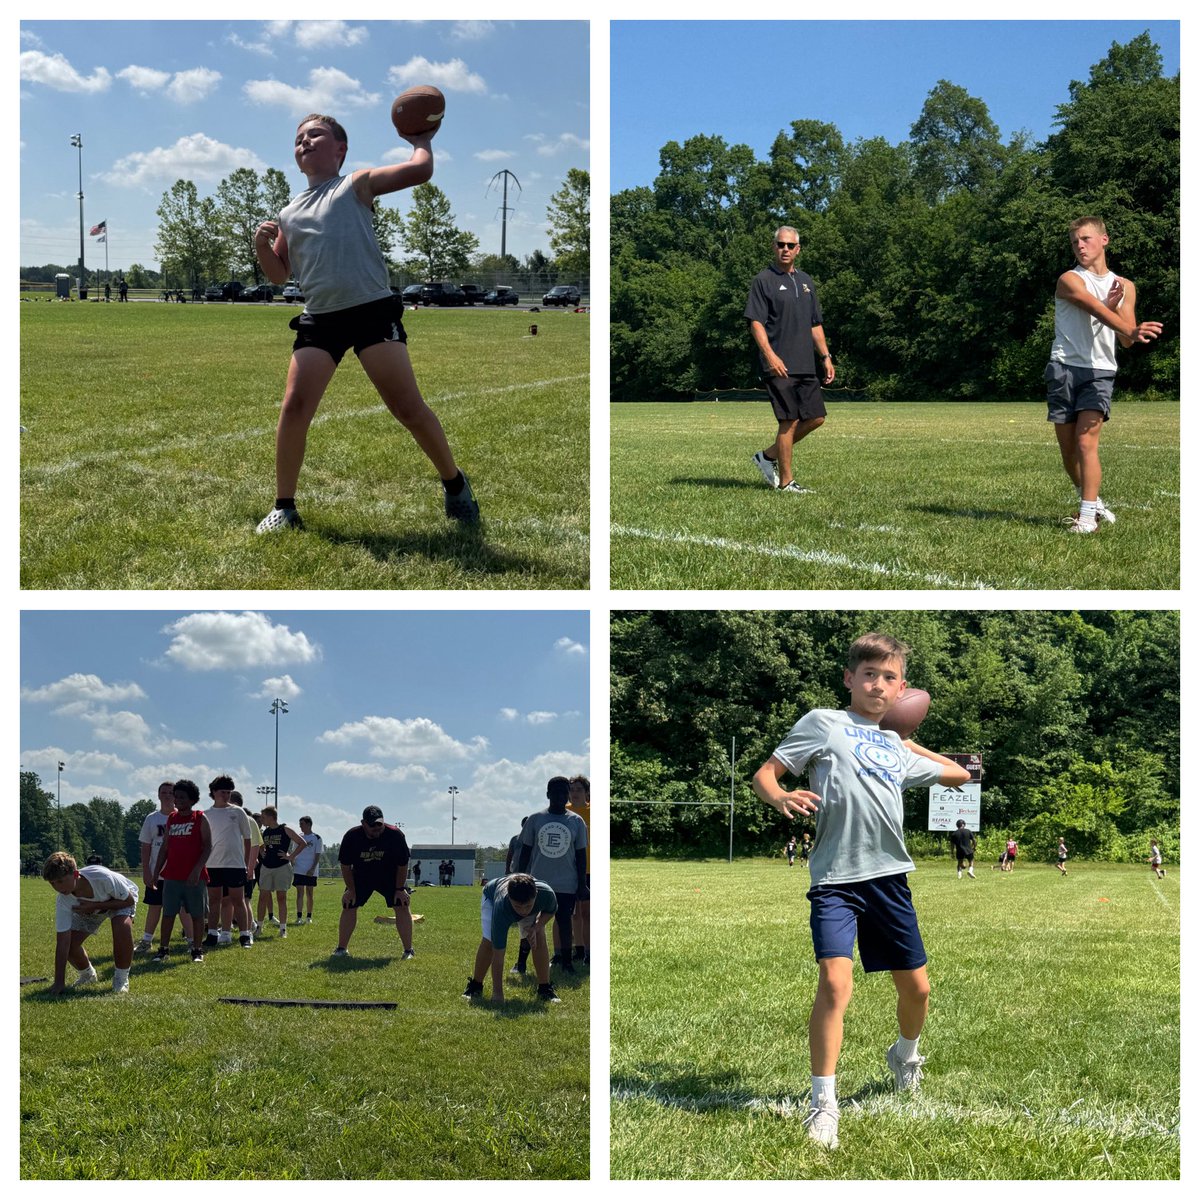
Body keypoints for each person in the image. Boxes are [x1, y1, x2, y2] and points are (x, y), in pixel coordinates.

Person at [752, 632, 971, 1150]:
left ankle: (905, 1054)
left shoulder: (898, 747)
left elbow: (961, 774)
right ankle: (823, 1103)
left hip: (889, 878)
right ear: (850, 678)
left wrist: (906, 737)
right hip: (835, 879)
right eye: (869, 674)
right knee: (835, 983)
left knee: (918, 990)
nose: (877, 684)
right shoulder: (823, 723)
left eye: (889, 678)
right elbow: (765, 774)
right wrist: (780, 796)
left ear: (901, 689)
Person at [253, 113, 478, 534]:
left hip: (371, 309)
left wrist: (422, 138)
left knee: (406, 408)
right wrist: (261, 244)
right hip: (320, 318)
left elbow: (420, 170)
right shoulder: (289, 212)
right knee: (294, 407)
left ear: (340, 149)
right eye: (299, 138)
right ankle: (284, 507)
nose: (304, 141)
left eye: (315, 135)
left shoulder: (355, 184)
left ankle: (455, 483)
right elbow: (279, 274)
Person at [1046, 217, 1163, 533]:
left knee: (1086, 442)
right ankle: (1094, 503)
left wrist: (1127, 324)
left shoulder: (1125, 286)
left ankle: (1086, 519)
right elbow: (1093, 309)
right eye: (1074, 242)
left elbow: (1126, 339)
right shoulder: (1069, 280)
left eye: (1085, 239)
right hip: (1063, 368)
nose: (1079, 246)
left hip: (1100, 371)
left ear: (1104, 240)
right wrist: (1114, 313)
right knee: (1069, 452)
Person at [745, 226, 835, 495]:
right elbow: (756, 323)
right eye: (780, 244)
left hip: (806, 363)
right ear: (774, 247)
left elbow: (814, 324)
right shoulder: (764, 280)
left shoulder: (806, 281)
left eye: (790, 245)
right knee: (789, 421)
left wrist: (826, 357)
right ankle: (786, 482)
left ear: (798, 249)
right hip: (779, 364)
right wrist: (770, 355)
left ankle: (768, 456)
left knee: (816, 417)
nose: (785, 249)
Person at [518, 777, 589, 974]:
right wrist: (519, 877)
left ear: (567, 795)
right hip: (537, 882)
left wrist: (581, 884)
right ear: (548, 794)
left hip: (566, 882)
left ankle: (566, 962)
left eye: (563, 793)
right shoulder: (535, 819)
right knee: (529, 922)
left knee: (564, 921)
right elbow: (525, 851)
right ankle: (521, 962)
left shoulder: (576, 821)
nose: (559, 796)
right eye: (555, 792)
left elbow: (581, 855)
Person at [43, 851, 139, 995]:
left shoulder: (102, 877)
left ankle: (121, 978)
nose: (58, 887)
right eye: (52, 883)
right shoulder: (63, 899)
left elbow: (128, 900)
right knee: (70, 946)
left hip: (120, 900)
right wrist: (59, 982)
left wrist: (94, 906)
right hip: (90, 908)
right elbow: (62, 942)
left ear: (75, 874)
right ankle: (87, 975)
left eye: (61, 881)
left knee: (122, 927)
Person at [461, 873, 561, 1005]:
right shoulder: (501, 907)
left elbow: (551, 910)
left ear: (536, 894)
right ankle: (475, 986)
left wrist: (537, 927)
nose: (523, 911)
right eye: (518, 907)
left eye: (527, 906)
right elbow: (498, 955)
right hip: (491, 897)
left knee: (539, 936)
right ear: (509, 898)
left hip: (525, 900)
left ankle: (545, 989)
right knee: (489, 942)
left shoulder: (546, 893)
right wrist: (498, 994)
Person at [334, 805, 414, 958]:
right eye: (372, 825)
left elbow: (403, 864)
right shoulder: (352, 836)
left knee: (402, 904)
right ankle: (341, 949)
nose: (377, 828)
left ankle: (408, 950)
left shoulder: (395, 835)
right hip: (362, 875)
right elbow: (345, 866)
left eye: (379, 824)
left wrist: (399, 889)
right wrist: (351, 890)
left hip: (389, 875)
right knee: (349, 904)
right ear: (363, 823)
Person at [150, 779, 211, 963]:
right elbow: (165, 848)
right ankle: (163, 949)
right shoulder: (172, 819)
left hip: (194, 877)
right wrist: (156, 872)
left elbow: (208, 847)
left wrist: (196, 870)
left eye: (182, 797)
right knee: (168, 914)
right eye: (176, 797)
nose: (177, 800)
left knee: (197, 915)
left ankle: (197, 950)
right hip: (172, 876)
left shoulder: (200, 817)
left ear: (192, 799)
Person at [203, 775, 255, 948]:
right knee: (214, 900)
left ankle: (244, 935)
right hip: (213, 864)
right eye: (222, 792)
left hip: (235, 864)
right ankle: (211, 934)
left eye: (228, 792)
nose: (226, 795)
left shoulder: (238, 812)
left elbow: (248, 839)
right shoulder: (206, 814)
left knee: (238, 900)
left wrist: (248, 865)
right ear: (214, 793)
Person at [134, 781, 178, 953]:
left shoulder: (183, 818)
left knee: (183, 909)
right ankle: (146, 941)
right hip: (157, 874)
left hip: (178, 874)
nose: (168, 796)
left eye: (171, 793)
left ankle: (191, 941)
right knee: (155, 906)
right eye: (164, 793)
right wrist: (146, 871)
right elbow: (145, 847)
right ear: (159, 795)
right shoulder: (152, 818)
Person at [257, 806, 307, 937]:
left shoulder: (285, 829)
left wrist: (291, 856)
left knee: (281, 898)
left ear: (271, 817)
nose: (262, 820)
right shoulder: (265, 832)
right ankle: (259, 928)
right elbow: (261, 845)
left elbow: (302, 843)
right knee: (263, 897)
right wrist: (262, 852)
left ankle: (283, 929)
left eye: (263, 817)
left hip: (282, 867)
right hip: (266, 867)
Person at [230, 790, 266, 930]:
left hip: (244, 869)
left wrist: (249, 868)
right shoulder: (228, 818)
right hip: (231, 866)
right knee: (228, 900)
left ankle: (249, 929)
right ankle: (228, 929)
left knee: (245, 900)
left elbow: (256, 846)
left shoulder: (249, 820)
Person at [568, 775, 591, 966]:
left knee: (587, 913)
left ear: (587, 792)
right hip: (570, 870)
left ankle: (590, 952)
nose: (575, 793)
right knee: (574, 913)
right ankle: (578, 949)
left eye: (579, 790)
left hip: (590, 869)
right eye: (572, 790)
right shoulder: (563, 812)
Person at [292, 816, 323, 923]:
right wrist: (292, 862)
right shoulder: (298, 837)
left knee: (309, 893)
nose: (300, 826)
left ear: (309, 824)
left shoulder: (317, 838)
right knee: (299, 893)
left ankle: (309, 917)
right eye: (299, 824)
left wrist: (312, 868)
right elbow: (294, 852)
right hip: (299, 869)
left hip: (311, 870)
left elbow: (318, 855)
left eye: (302, 824)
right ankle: (299, 917)